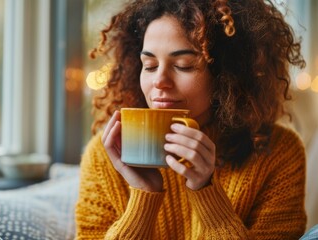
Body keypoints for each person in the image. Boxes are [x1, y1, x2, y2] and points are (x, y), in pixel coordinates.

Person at [75, 0, 312, 239]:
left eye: (183, 65)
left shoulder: (279, 152)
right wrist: (143, 194)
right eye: (149, 65)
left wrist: (206, 190)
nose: (159, 81)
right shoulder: (107, 154)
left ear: (226, 74)